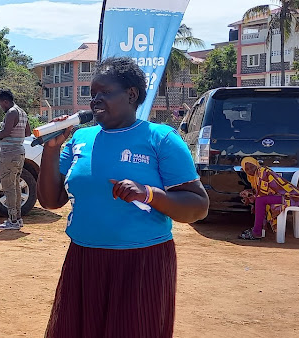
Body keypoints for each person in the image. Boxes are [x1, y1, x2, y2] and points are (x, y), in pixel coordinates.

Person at [37, 57, 209, 337]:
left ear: (132, 94)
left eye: (105, 92)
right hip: (85, 260)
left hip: (141, 264)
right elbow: (50, 200)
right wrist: (52, 149)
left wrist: (149, 194)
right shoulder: (81, 139)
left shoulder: (161, 138)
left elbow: (198, 206)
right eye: (92, 94)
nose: (96, 100)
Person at [0, 89, 31, 230]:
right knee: (15, 186)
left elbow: (6, 132)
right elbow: (28, 132)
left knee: (8, 187)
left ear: (5, 101)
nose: (1, 106)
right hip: (19, 152)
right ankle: (17, 219)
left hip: (9, 153)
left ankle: (12, 220)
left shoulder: (11, 112)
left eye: (1, 104)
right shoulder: (22, 112)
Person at [238, 157, 299, 240]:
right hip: (281, 197)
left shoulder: (262, 172)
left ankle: (257, 232)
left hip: (292, 197)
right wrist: (249, 193)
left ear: (256, 164)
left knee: (260, 200)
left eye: (252, 167)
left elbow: (262, 194)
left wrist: (251, 196)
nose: (250, 170)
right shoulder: (254, 178)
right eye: (247, 169)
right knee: (260, 201)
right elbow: (260, 191)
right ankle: (257, 230)